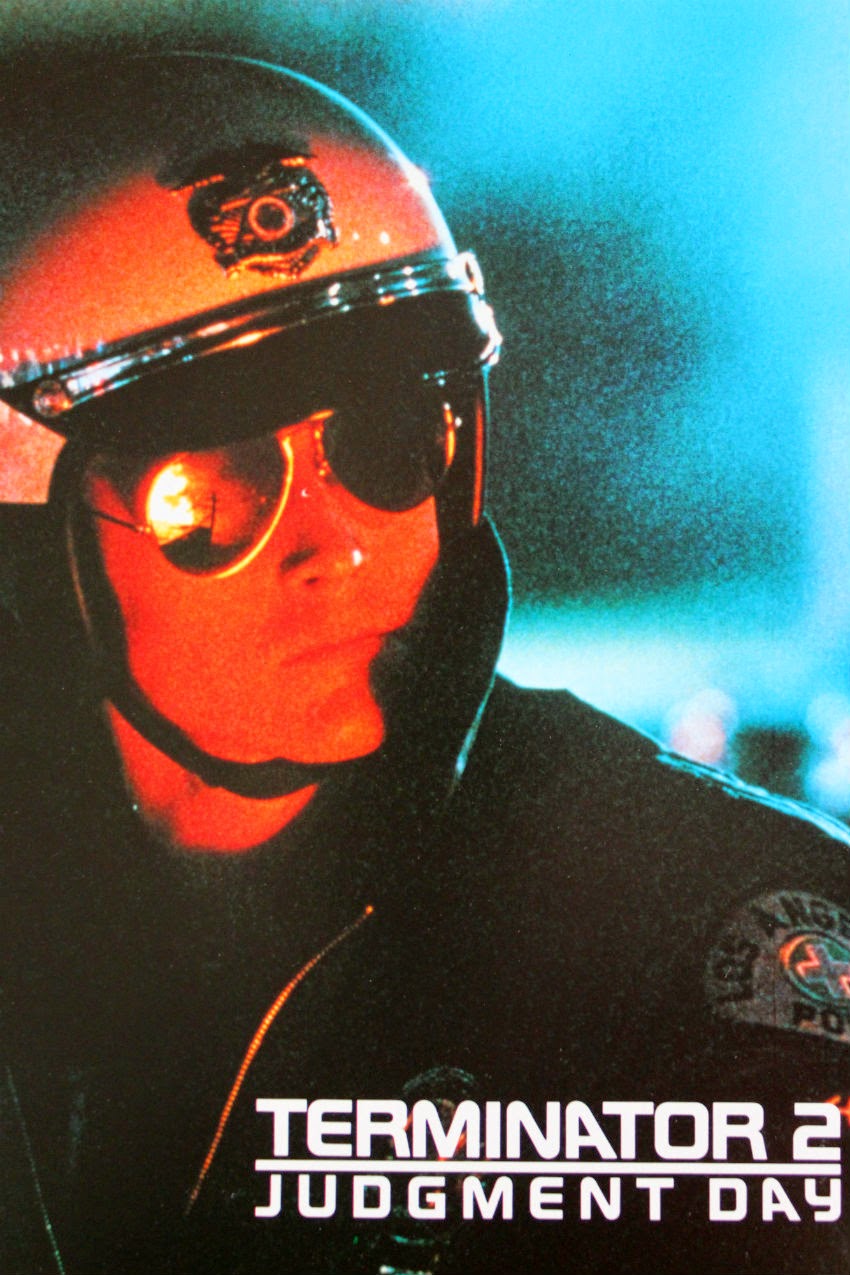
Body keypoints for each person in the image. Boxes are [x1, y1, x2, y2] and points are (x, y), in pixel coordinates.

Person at [1, 52, 850, 1275]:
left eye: (392, 442)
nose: (338, 546)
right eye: (209, 490)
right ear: (30, 554)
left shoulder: (711, 933)